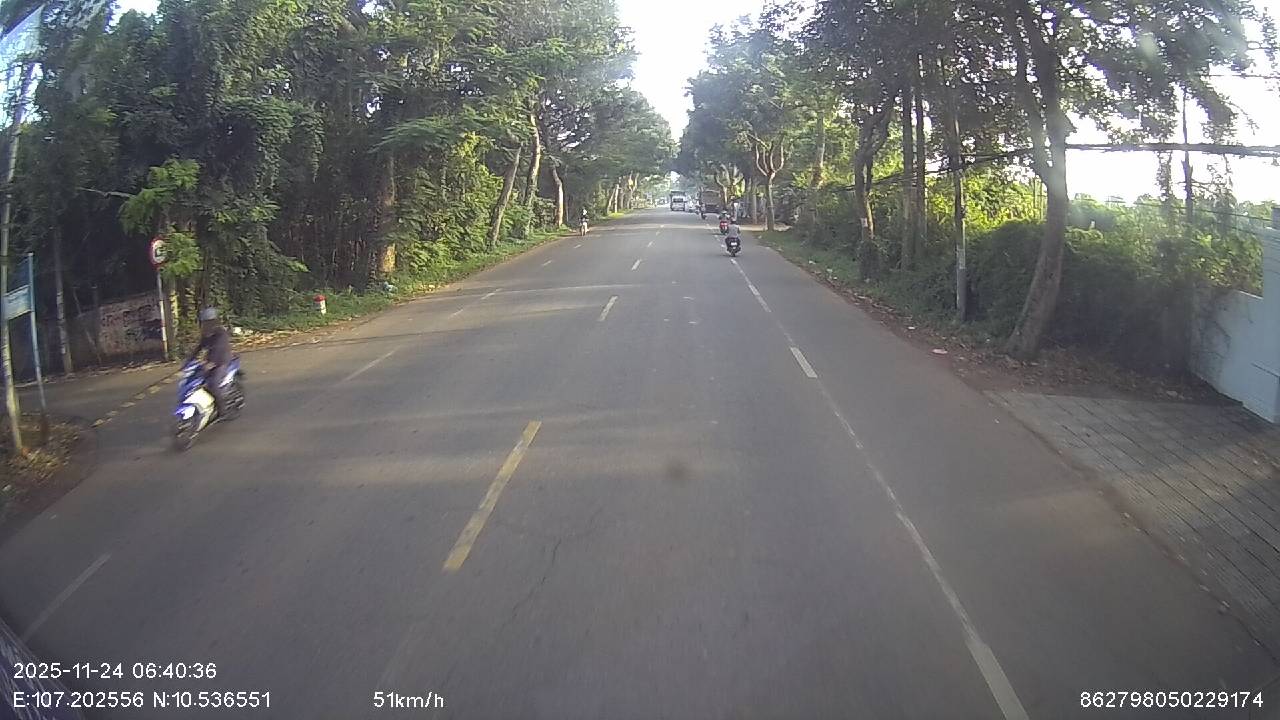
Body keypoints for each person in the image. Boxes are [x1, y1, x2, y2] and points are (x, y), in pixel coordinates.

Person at [187, 307, 233, 417]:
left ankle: (222, 411)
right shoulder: (207, 334)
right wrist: (189, 360)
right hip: (209, 362)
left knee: (213, 384)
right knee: (195, 380)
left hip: (221, 361)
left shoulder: (221, 334)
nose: (205, 324)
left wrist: (211, 363)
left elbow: (218, 349)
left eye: (208, 322)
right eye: (204, 322)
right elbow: (200, 347)